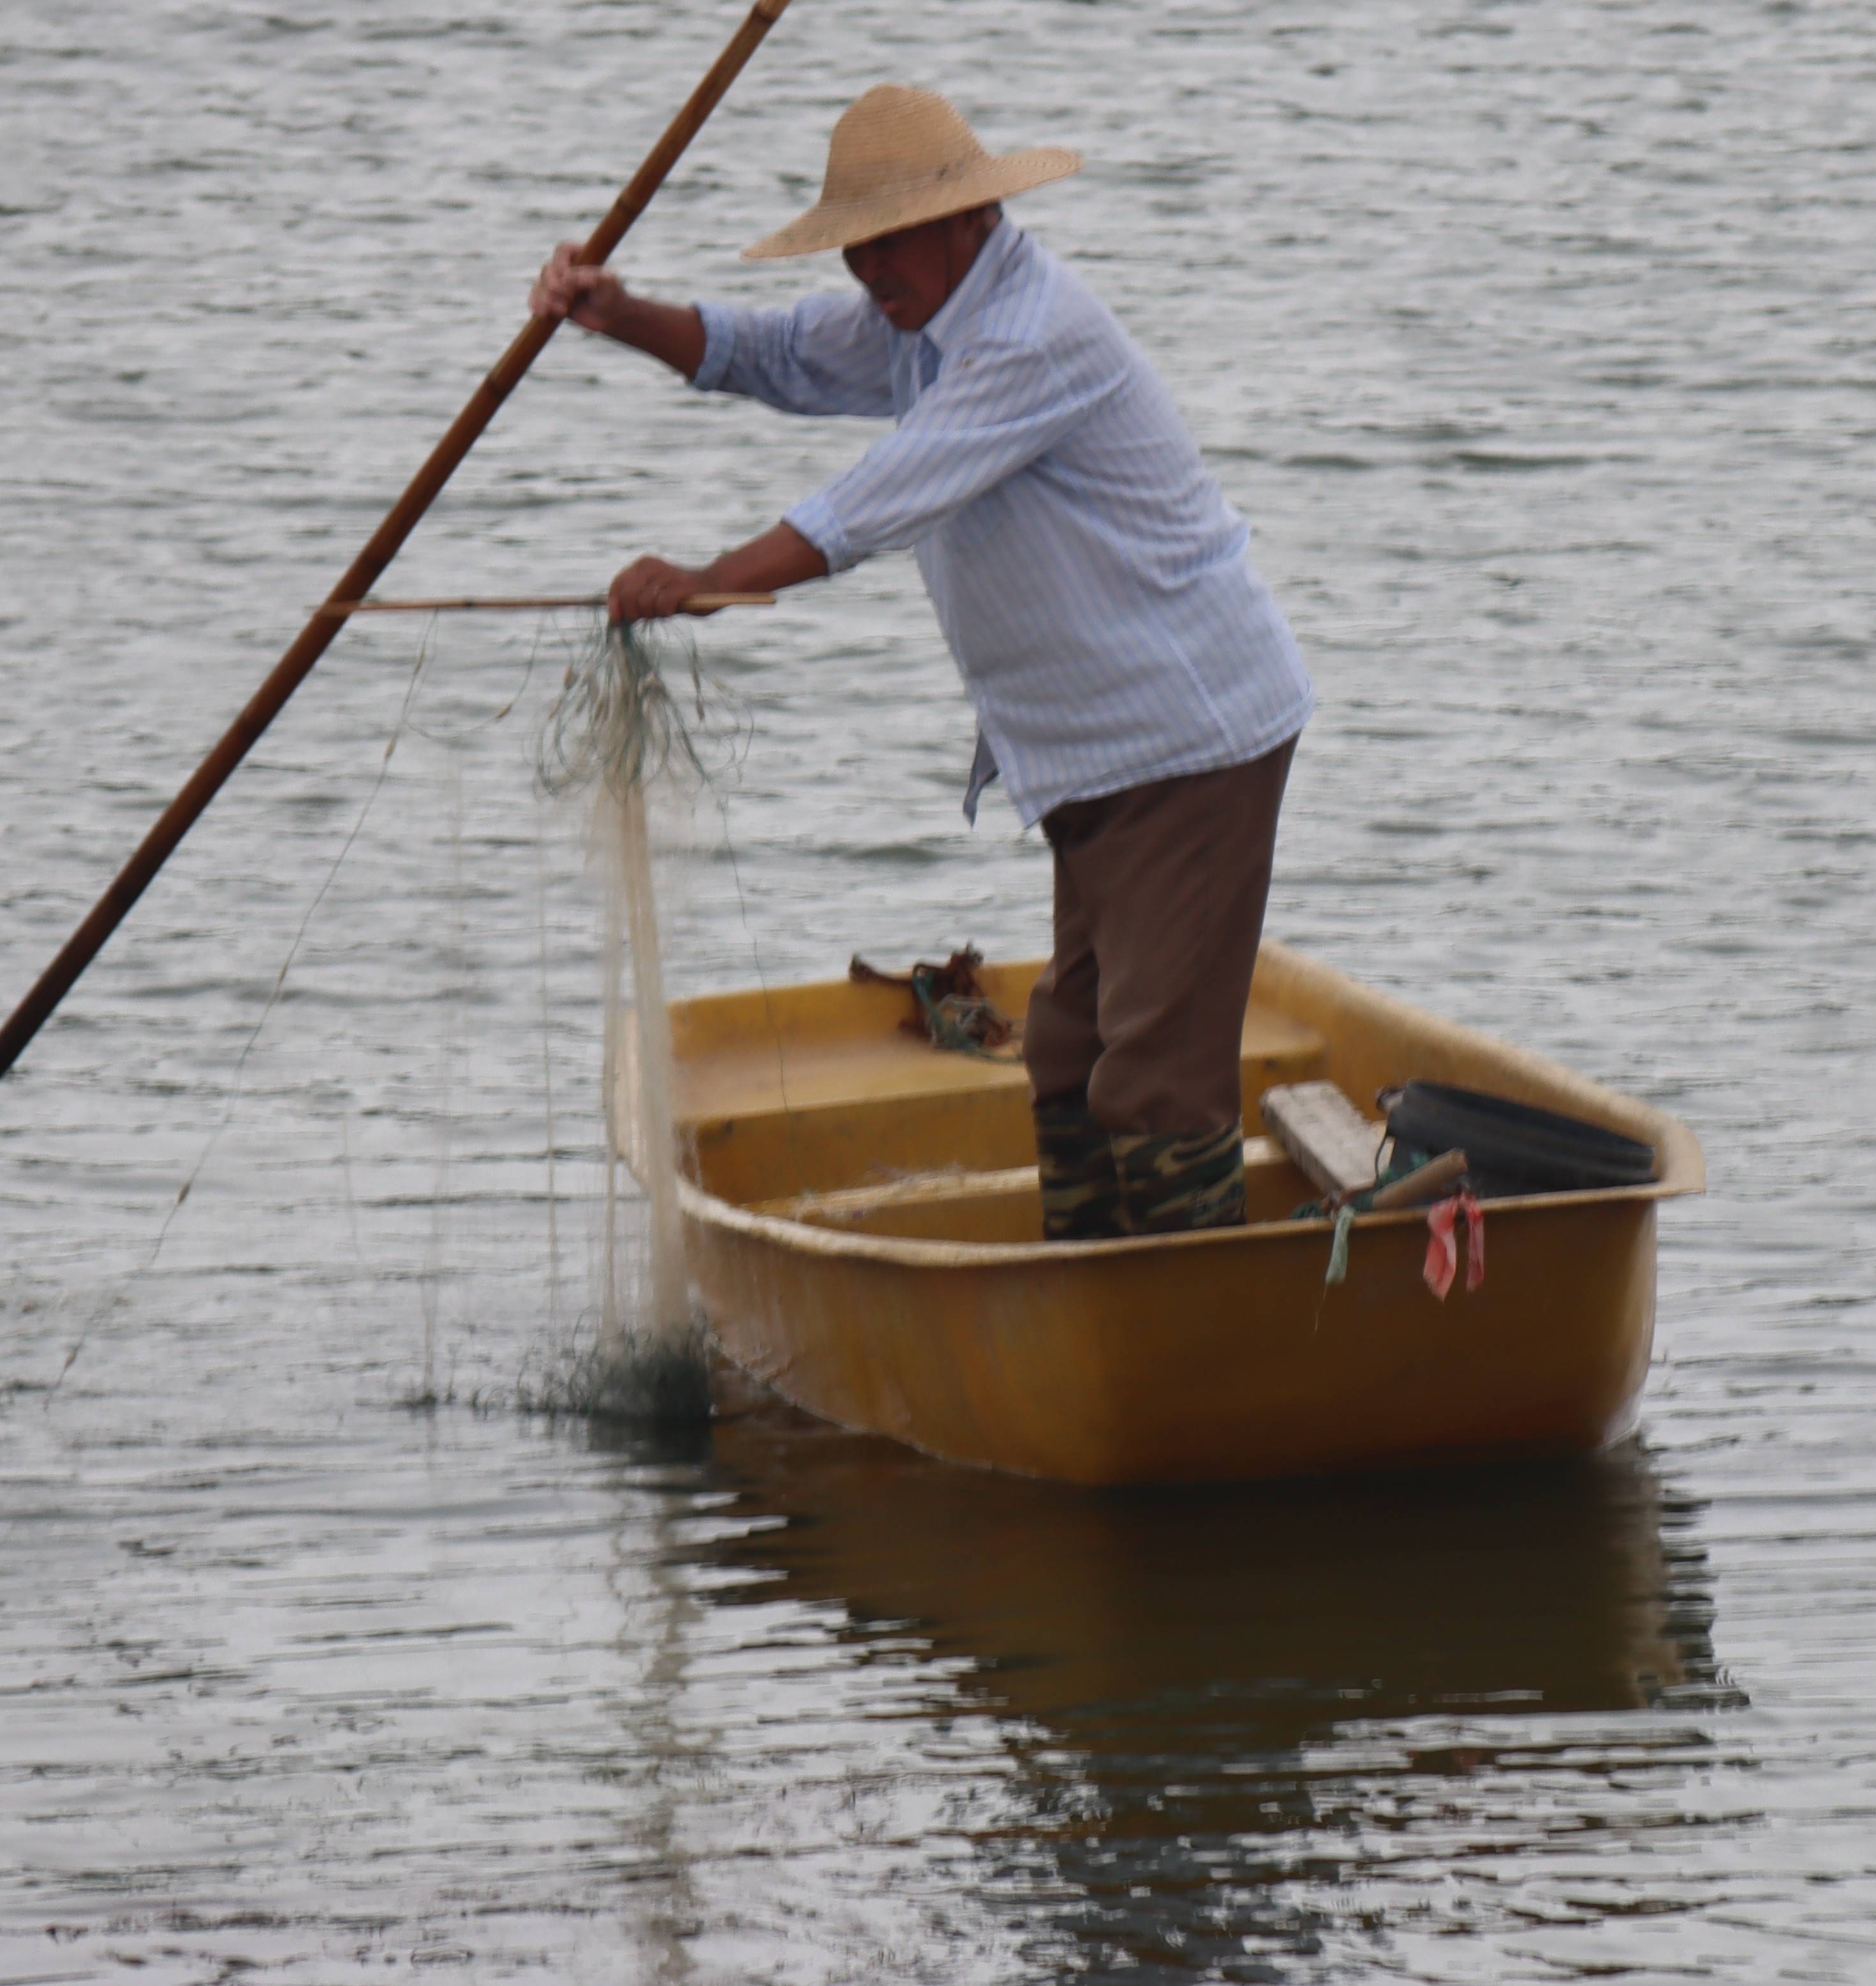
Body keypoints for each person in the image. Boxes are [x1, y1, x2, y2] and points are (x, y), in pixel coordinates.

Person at [530, 81, 1311, 1241]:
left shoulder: (1029, 337)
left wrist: (705, 581)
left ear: (969, 223)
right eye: (855, 252)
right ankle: (1091, 1290)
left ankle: (1190, 1327)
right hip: (1092, 762)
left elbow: (872, 505)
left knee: (1152, 1078)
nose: (869, 275)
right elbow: (775, 353)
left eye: (888, 246)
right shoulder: (917, 320)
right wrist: (619, 314)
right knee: (1064, 1056)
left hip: (1189, 744)